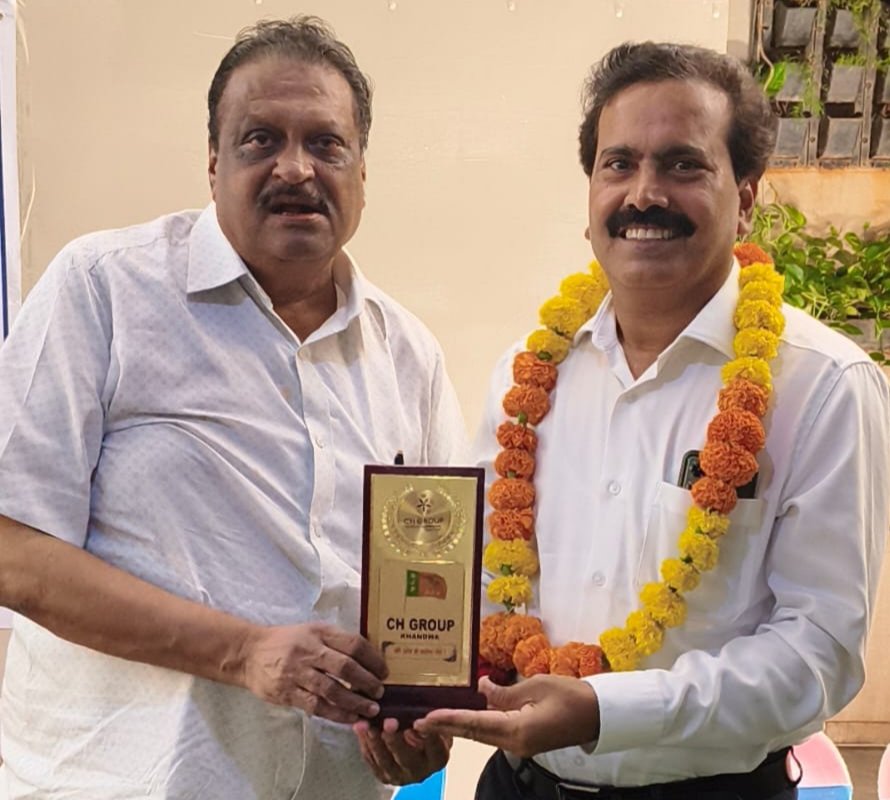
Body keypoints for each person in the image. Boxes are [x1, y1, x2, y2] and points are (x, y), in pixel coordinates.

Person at [0, 16, 462, 799]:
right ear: (214, 164)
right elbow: (12, 549)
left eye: (326, 144)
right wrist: (244, 653)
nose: (296, 168)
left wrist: (422, 725)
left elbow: (433, 587)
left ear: (362, 172)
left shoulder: (409, 357)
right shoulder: (104, 290)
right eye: (260, 140)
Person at [414, 42, 890, 800]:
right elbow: (479, 581)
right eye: (619, 164)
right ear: (591, 193)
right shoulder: (524, 375)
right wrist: (411, 693)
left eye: (682, 165)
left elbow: (818, 654)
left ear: (746, 195)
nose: (643, 194)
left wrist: (608, 711)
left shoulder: (824, 385)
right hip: (520, 787)